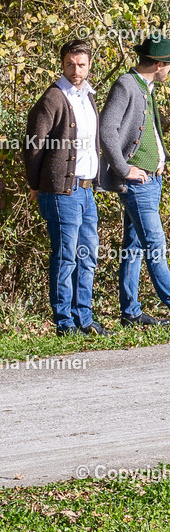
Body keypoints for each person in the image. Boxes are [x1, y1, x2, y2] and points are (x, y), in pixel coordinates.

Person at [23, 39, 106, 336]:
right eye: (70, 64)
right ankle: (64, 322)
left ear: (89, 65)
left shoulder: (87, 96)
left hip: (86, 189)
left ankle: (84, 318)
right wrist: (35, 184)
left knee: (87, 254)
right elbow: (33, 146)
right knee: (66, 256)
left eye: (81, 64)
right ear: (62, 64)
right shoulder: (54, 98)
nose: (75, 70)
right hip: (61, 191)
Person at [99, 33, 170, 327]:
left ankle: (130, 312)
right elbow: (106, 129)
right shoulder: (127, 85)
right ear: (158, 64)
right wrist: (123, 168)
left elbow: (146, 131)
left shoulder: (146, 87)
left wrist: (161, 158)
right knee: (155, 244)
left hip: (151, 181)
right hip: (137, 184)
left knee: (134, 247)